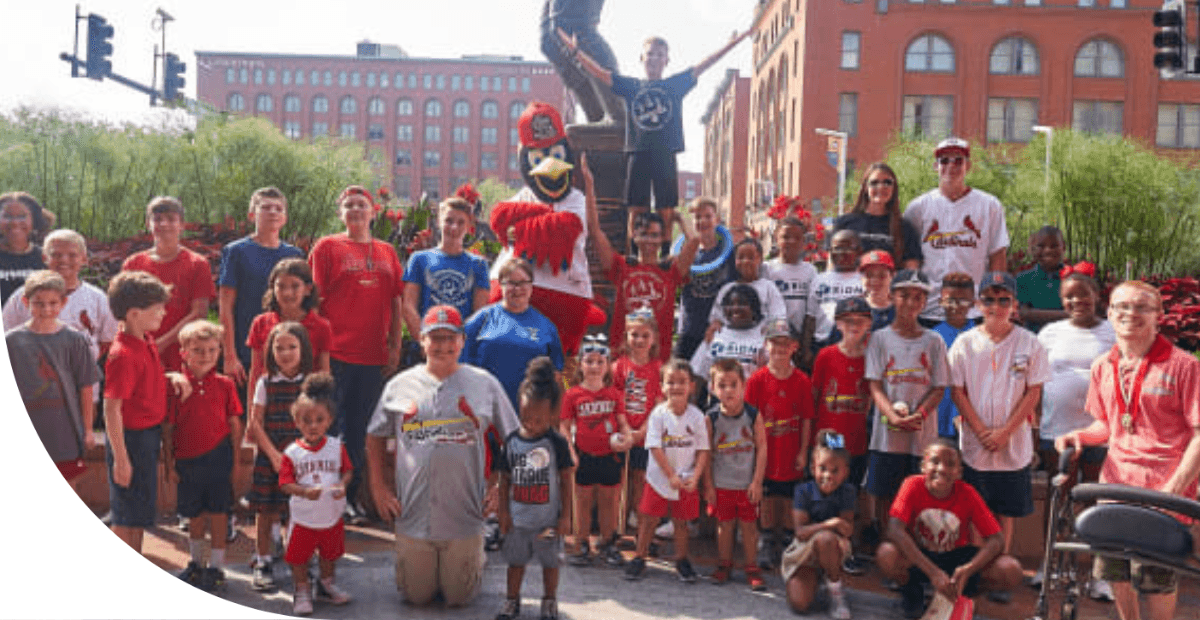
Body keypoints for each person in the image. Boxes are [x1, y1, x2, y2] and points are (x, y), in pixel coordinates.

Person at [1056, 280, 1200, 620]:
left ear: (1159, 316)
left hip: (1164, 491)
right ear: (1109, 313)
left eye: (1141, 307)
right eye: (1122, 306)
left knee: (1155, 577)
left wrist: (1173, 490)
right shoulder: (1102, 366)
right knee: (1114, 570)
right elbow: (1107, 426)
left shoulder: (1184, 366)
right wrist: (1077, 436)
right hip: (1115, 487)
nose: (1130, 313)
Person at [366, 305, 519, 608]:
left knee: (458, 598)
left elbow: (515, 439)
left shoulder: (484, 383)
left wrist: (503, 487)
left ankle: (475, 553)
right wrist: (379, 487)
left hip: (465, 513)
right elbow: (375, 435)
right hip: (413, 512)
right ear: (421, 341)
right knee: (417, 597)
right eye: (434, 338)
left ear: (462, 341)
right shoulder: (399, 385)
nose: (443, 346)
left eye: (450, 338)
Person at [560, 29, 750, 236]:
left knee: (665, 208)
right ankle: (633, 251)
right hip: (638, 152)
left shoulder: (674, 85)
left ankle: (666, 251)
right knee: (636, 206)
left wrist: (732, 43)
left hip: (665, 153)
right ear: (642, 58)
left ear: (666, 60)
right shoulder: (631, 86)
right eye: (650, 53)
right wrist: (576, 52)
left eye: (660, 54)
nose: (654, 58)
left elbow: (706, 63)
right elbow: (598, 72)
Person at [309, 185, 404, 523]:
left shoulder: (387, 252)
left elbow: (396, 302)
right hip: (336, 353)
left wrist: (394, 346)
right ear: (341, 213)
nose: (355, 210)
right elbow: (314, 301)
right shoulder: (327, 247)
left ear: (373, 211)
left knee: (362, 431)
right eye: (348, 205)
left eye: (361, 204)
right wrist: (320, 353)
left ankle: (350, 498)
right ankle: (326, 499)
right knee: (329, 427)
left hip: (372, 357)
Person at [949, 271, 1048, 596]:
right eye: (989, 300)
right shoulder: (965, 343)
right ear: (979, 304)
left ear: (1014, 304)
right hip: (975, 445)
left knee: (1005, 512)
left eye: (1003, 300)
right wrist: (980, 431)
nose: (996, 306)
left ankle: (1000, 571)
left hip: (1012, 444)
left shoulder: (1029, 343)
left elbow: (1033, 392)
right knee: (976, 511)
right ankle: (976, 571)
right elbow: (958, 391)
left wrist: (1004, 432)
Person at [1032, 262, 1115, 599]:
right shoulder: (1050, 332)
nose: (1076, 301)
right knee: (1058, 498)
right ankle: (1049, 565)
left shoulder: (1113, 331)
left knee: (1096, 501)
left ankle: (1098, 575)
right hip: (1057, 431)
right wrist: (1035, 425)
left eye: (1083, 294)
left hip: (1101, 431)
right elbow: (1035, 382)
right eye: (1068, 297)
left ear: (1097, 295)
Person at [876, 440, 1023, 619]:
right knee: (886, 554)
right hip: (921, 555)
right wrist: (933, 572)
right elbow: (894, 529)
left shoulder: (967, 493)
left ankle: (963, 594)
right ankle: (912, 592)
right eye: (935, 462)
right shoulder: (911, 484)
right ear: (923, 466)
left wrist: (969, 569)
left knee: (1010, 570)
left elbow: (997, 539)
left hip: (957, 557)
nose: (942, 469)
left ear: (959, 472)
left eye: (950, 464)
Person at [583, 152, 697, 360]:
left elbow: (695, 241)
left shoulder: (671, 271)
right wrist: (590, 186)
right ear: (634, 236)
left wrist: (679, 218)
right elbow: (594, 230)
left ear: (663, 237)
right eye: (644, 234)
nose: (650, 240)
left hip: (656, 362)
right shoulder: (622, 266)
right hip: (622, 359)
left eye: (655, 235)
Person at [865, 270, 949, 546]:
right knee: (886, 493)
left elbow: (939, 387)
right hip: (887, 434)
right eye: (903, 295)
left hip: (920, 435)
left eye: (917, 297)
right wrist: (892, 416)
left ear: (924, 302)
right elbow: (875, 384)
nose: (910, 303)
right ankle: (888, 548)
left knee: (916, 492)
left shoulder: (933, 340)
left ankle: (913, 550)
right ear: (891, 297)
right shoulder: (880, 338)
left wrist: (919, 415)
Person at [162, 320, 243, 592]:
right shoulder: (177, 386)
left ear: (220, 351)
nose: (206, 356)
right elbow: (169, 427)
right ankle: (196, 564)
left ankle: (217, 567)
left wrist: (236, 462)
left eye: (212, 350)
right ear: (183, 352)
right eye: (198, 350)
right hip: (187, 461)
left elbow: (234, 424)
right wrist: (169, 464)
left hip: (218, 458)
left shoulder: (225, 385)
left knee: (220, 514)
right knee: (194, 516)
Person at [495, 357, 575, 620]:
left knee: (550, 564)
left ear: (552, 413)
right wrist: (503, 513)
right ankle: (511, 601)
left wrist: (566, 516)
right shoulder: (512, 442)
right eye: (526, 417)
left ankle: (549, 601)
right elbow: (504, 479)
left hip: (548, 522)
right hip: (518, 521)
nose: (531, 423)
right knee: (515, 563)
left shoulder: (557, 443)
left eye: (539, 419)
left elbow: (566, 480)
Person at [5, 270, 100, 489]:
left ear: (63, 302)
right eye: (38, 303)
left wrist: (87, 430)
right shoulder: (11, 341)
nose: (46, 310)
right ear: (25, 301)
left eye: (52, 303)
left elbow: (85, 386)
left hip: (64, 430)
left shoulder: (75, 340)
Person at [903, 138, 1009, 327]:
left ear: (968, 165)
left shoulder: (989, 205)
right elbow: (909, 259)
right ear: (936, 166)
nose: (951, 166)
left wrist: (994, 301)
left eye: (958, 160)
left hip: (973, 309)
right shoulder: (918, 207)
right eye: (944, 161)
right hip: (928, 308)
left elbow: (997, 257)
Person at [102, 270, 172, 553]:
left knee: (139, 512)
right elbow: (111, 408)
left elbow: (144, 384)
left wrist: (172, 378)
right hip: (130, 440)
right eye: (157, 310)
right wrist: (121, 459)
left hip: (147, 437)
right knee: (125, 514)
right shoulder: (124, 355)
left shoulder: (145, 339)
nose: (164, 314)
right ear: (133, 314)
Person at [625, 358, 709, 583]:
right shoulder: (658, 414)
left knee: (681, 523)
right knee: (649, 519)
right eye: (670, 382)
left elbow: (703, 450)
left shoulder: (698, 416)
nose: (676, 387)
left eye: (682, 382)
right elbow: (654, 446)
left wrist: (696, 476)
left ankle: (682, 560)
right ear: (662, 386)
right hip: (659, 478)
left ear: (692, 386)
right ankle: (639, 557)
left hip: (686, 479)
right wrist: (670, 474)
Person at [277, 373, 354, 616]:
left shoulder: (335, 446)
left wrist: (343, 484)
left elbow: (348, 470)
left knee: (330, 554)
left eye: (319, 419)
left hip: (331, 514)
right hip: (304, 517)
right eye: (306, 420)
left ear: (329, 420)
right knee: (299, 557)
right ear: (296, 422)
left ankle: (326, 584)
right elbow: (285, 484)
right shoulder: (292, 452)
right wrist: (303, 491)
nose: (313, 425)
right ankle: (301, 589)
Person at [246, 321, 313, 591]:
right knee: (266, 511)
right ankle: (263, 561)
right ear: (270, 351)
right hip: (270, 457)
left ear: (303, 349)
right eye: (279, 347)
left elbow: (319, 422)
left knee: (297, 513)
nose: (285, 353)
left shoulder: (311, 383)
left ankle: (299, 560)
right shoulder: (266, 382)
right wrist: (274, 456)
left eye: (292, 347)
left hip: (301, 460)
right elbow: (255, 423)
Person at [218, 186, 306, 389]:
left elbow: (301, 305)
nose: (273, 212)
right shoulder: (236, 252)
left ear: (284, 218)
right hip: (246, 349)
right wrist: (230, 355)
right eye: (266, 207)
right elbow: (225, 305)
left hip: (286, 351)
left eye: (278, 209)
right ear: (251, 215)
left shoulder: (295, 255)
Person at [744, 318, 813, 571]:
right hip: (765, 449)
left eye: (785, 344)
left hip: (790, 448)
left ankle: (783, 537)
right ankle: (766, 537)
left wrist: (804, 451)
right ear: (765, 345)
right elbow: (750, 418)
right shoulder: (757, 380)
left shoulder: (802, 381)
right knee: (766, 495)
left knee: (786, 495)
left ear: (794, 346)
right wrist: (752, 450)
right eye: (775, 343)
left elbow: (806, 419)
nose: (780, 349)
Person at [810, 297, 873, 573]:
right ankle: (820, 547)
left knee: (851, 495)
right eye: (848, 321)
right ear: (838, 324)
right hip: (830, 438)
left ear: (869, 324)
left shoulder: (872, 356)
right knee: (826, 492)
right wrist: (814, 439)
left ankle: (848, 549)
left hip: (856, 439)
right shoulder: (827, 355)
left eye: (859, 321)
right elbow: (815, 396)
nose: (853, 326)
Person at [122, 196, 216, 371]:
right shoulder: (133, 264)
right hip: (140, 351)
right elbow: (124, 312)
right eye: (158, 219)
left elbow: (199, 312)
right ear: (148, 224)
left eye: (171, 219)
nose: (164, 224)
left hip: (183, 352)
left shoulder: (197, 264)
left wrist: (160, 344)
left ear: (182, 224)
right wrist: (138, 346)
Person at [561, 335, 630, 567]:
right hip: (584, 455)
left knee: (609, 501)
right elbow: (564, 426)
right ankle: (581, 543)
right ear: (580, 364)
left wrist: (628, 437)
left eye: (600, 362)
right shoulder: (572, 395)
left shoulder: (614, 394)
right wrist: (570, 451)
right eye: (589, 361)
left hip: (609, 456)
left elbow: (623, 423)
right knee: (582, 501)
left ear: (608, 365)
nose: (594, 367)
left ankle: (608, 542)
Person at [463, 257, 565, 412]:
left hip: (529, 416)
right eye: (511, 283)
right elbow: (458, 368)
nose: (517, 289)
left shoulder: (546, 327)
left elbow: (556, 378)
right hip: (485, 412)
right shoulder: (480, 321)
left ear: (531, 285)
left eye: (523, 282)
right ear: (501, 285)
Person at [3, 229, 118, 363]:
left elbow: (107, 341)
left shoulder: (98, 299)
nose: (64, 260)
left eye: (72, 255)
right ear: (44, 258)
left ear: (84, 258)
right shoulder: (23, 296)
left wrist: (83, 365)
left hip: (81, 379)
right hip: (31, 377)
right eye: (56, 255)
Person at [703, 358, 768, 590]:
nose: (728, 390)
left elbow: (762, 449)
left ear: (743, 385)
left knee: (749, 528)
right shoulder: (710, 418)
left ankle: (752, 567)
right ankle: (724, 564)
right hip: (722, 484)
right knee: (725, 526)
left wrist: (757, 481)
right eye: (722, 385)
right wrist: (708, 485)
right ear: (713, 388)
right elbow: (706, 454)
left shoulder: (753, 415)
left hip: (746, 484)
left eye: (733, 384)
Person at [783, 430, 858, 619]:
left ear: (846, 471)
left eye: (835, 470)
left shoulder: (848, 491)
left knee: (825, 539)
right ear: (812, 467)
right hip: (805, 551)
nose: (828, 475)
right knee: (799, 604)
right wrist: (830, 523)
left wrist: (832, 529)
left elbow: (848, 530)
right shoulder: (802, 490)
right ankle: (816, 579)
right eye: (822, 468)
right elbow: (800, 533)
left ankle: (835, 590)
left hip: (833, 547)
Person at [401, 193, 490, 340]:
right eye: (449, 221)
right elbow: (408, 306)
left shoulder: (478, 264)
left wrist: (457, 344)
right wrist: (424, 341)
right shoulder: (419, 259)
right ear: (439, 222)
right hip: (426, 341)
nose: (454, 227)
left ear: (469, 226)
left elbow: (479, 313)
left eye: (461, 222)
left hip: (460, 347)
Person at [246, 258, 333, 405]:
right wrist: (252, 417)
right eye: (281, 286)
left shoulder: (321, 326)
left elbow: (324, 374)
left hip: (306, 403)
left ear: (307, 289)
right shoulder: (261, 323)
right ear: (272, 289)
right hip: (270, 401)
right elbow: (255, 372)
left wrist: (322, 412)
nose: (287, 293)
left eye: (295, 286)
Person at [612, 307, 664, 532]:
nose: (639, 340)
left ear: (653, 339)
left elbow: (659, 404)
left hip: (646, 436)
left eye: (645, 335)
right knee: (620, 482)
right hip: (622, 434)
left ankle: (642, 529)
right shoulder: (618, 366)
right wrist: (625, 429)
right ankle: (617, 528)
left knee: (640, 480)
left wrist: (641, 432)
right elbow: (613, 399)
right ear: (626, 337)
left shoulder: (659, 368)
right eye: (634, 335)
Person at [673, 197, 736, 361]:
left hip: (719, 329)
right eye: (697, 217)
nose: (702, 221)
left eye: (707, 216)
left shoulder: (730, 253)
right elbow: (677, 279)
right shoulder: (686, 254)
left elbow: (736, 289)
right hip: (690, 329)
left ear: (717, 219)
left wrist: (721, 321)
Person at [834, 163, 921, 270]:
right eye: (874, 183)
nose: (881, 187)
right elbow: (832, 267)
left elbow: (911, 273)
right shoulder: (844, 223)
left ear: (894, 188)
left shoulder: (905, 228)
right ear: (865, 188)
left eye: (887, 182)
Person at [764, 215, 819, 369]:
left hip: (799, 341)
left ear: (803, 241)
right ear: (776, 238)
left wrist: (805, 345)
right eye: (785, 237)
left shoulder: (811, 271)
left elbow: (812, 311)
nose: (791, 241)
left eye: (797, 237)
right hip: (774, 341)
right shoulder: (767, 269)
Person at [706, 237, 787, 338]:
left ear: (760, 259)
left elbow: (779, 317)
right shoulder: (727, 289)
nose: (745, 261)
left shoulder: (768, 288)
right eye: (740, 257)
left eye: (751, 257)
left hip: (759, 344)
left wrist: (769, 329)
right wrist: (716, 325)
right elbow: (716, 317)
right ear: (735, 260)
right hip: (732, 344)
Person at [931, 273, 976, 441]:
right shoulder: (933, 337)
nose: (956, 306)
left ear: (973, 303)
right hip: (940, 416)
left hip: (972, 419)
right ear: (940, 301)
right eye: (950, 300)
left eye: (963, 301)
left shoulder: (981, 336)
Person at [690, 284, 767, 380]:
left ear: (754, 307)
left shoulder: (765, 336)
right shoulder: (715, 334)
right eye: (729, 304)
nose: (735, 308)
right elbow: (697, 374)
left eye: (742, 303)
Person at [812, 229, 866, 350]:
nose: (841, 252)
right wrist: (806, 349)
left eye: (847, 248)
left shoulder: (865, 281)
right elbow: (810, 316)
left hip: (855, 346)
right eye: (836, 248)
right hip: (821, 342)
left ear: (859, 251)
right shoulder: (819, 279)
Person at [0, 191, 52, 306]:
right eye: (7, 216)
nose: (14, 222)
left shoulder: (45, 258)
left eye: (22, 216)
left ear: (34, 220)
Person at [1016, 226, 1068, 333]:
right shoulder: (1023, 278)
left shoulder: (1073, 278)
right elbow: (1024, 313)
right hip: (1034, 340)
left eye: (1054, 246)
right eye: (1041, 246)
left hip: (1067, 339)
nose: (1048, 250)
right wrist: (1068, 315)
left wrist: (1035, 313)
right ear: (1034, 249)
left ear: (1064, 248)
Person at [859, 250, 896, 332]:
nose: (874, 281)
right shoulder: (853, 310)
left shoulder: (902, 311)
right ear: (861, 278)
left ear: (893, 277)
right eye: (869, 275)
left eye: (881, 275)